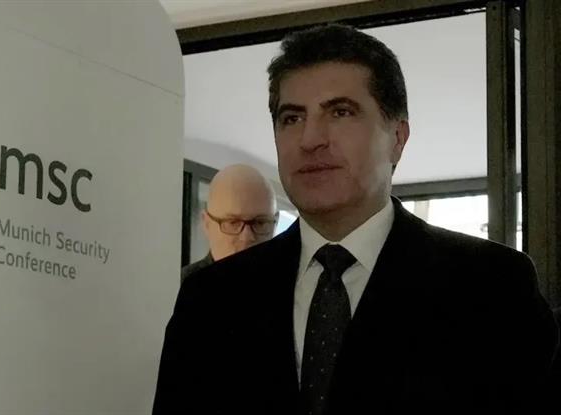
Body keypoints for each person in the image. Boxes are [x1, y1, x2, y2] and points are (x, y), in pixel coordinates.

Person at [154, 24, 558, 414]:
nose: (311, 139)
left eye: (340, 112)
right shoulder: (212, 299)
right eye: (292, 118)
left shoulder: (490, 286)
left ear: (397, 138)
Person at [181, 164, 278, 281]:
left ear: (276, 223)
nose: (247, 237)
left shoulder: (291, 284)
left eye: (260, 223)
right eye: (233, 222)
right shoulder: (175, 286)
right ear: (207, 224)